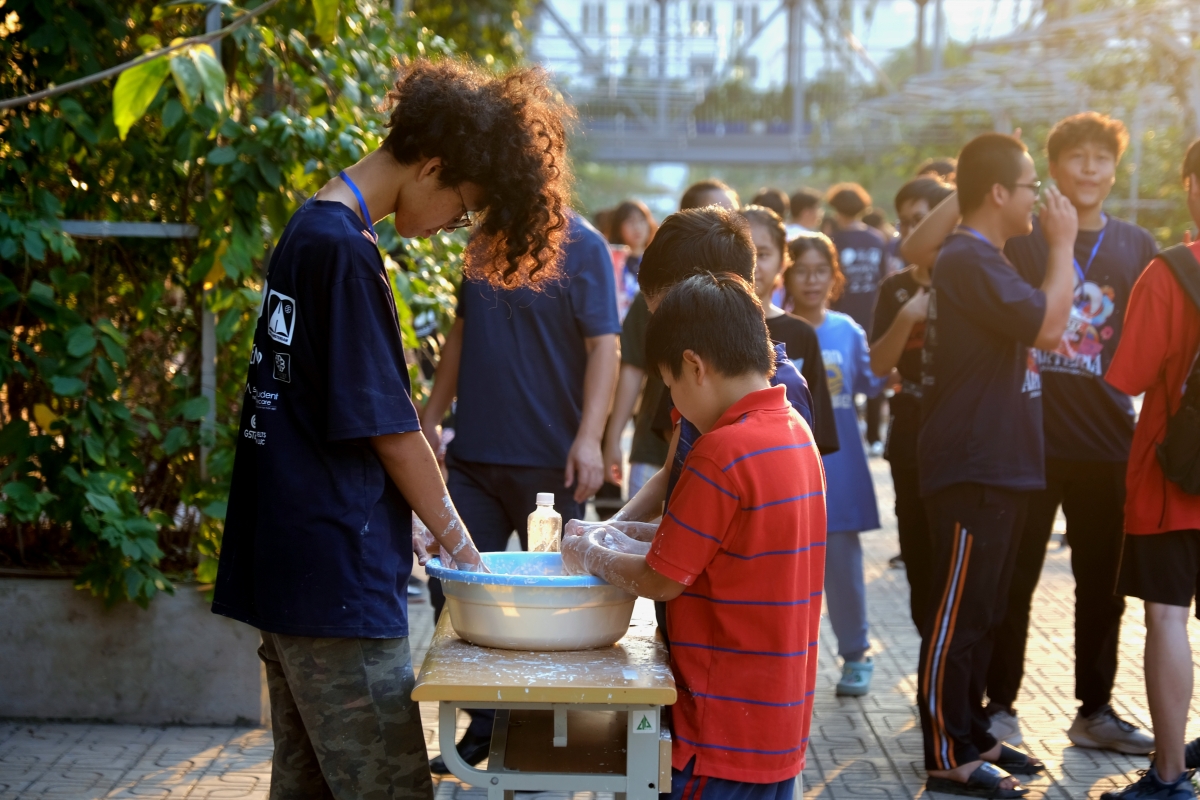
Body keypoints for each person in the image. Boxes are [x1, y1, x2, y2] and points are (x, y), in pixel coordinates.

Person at [211, 57, 573, 799]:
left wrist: (399, 516)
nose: (451, 228)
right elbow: (394, 431)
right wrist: (463, 549)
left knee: (307, 786)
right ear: (433, 166)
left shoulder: (310, 228)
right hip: (333, 582)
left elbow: (321, 416)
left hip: (290, 564)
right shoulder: (344, 253)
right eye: (464, 209)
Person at [562, 272, 825, 800]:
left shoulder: (721, 451)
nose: (676, 405)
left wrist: (588, 550)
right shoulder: (794, 431)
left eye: (672, 386)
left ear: (695, 366)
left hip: (717, 731)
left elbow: (661, 578)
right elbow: (717, 547)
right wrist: (621, 534)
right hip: (774, 725)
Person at [902, 132, 1078, 798]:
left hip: (999, 464)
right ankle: (947, 753)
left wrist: (982, 179)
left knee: (982, 612)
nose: (1041, 198)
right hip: (972, 465)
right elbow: (1050, 327)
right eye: (1031, 185)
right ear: (999, 193)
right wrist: (1062, 245)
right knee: (957, 618)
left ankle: (972, 734)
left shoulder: (984, 255)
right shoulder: (968, 257)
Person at [980, 112, 1159, 752]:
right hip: (1029, 440)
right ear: (1051, 168)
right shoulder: (1026, 237)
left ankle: (1095, 711)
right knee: (1013, 579)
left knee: (1103, 587)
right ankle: (1000, 706)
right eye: (1076, 156)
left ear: (1114, 169)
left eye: (1101, 158)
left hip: (1109, 442)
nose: (1089, 168)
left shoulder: (1137, 245)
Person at [419, 209, 621, 772]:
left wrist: (590, 439)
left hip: (552, 466)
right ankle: (486, 723)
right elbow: (461, 334)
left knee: (550, 607)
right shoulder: (482, 238)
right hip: (473, 458)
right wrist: (430, 417)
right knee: (455, 590)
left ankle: (540, 738)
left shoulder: (584, 245)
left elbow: (605, 347)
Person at [1100, 138, 1200, 800]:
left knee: (1167, 618)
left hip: (1172, 478)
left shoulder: (1169, 272)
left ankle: (1168, 776)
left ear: (1190, 184)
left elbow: (1129, 377)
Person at [786, 232, 886, 696]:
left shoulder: (848, 331)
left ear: (834, 277)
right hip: (789, 466)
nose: (811, 280)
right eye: (802, 271)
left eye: (820, 271)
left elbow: (872, 380)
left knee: (844, 567)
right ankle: (790, 661)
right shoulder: (774, 329)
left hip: (841, 465)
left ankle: (855, 654)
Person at [602, 187, 738, 505]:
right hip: (654, 449)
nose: (727, 224)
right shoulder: (652, 296)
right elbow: (632, 369)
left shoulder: (741, 305)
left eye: (733, 214)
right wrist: (613, 439)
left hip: (723, 456)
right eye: (717, 213)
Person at [868, 176, 955, 630]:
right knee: (919, 555)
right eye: (904, 223)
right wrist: (907, 316)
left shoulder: (970, 281)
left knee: (953, 556)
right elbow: (879, 365)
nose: (911, 232)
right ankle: (929, 652)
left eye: (921, 220)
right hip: (910, 433)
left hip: (961, 434)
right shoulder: (895, 289)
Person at [825, 182, 888, 456]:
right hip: (873, 316)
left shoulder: (834, 240)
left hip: (841, 320)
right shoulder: (877, 239)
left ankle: (845, 434)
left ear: (836, 208)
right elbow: (884, 279)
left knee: (841, 377)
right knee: (874, 373)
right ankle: (874, 437)